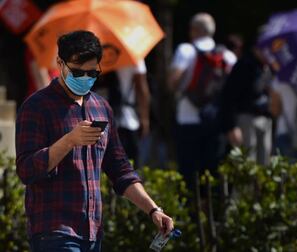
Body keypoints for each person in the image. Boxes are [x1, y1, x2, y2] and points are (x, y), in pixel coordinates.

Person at [15, 30, 173, 252]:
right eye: (78, 73)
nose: (85, 79)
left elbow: (120, 169)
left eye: (92, 73)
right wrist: (68, 141)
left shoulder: (101, 107)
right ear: (60, 63)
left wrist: (153, 209)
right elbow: (26, 170)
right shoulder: (36, 107)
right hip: (53, 231)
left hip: (92, 233)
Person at [168, 13, 236, 188]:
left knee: (189, 175)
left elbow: (173, 81)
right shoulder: (228, 56)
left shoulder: (186, 50)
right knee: (213, 174)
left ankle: (190, 214)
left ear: (194, 30)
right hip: (215, 122)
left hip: (188, 120)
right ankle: (213, 212)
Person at [220, 44, 279, 165]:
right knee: (247, 162)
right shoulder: (244, 65)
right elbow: (228, 96)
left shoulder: (268, 67)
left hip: (265, 119)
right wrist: (232, 126)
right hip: (246, 119)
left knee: (265, 162)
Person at [94, 60, 151, 170]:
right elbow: (141, 87)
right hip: (128, 121)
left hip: (99, 120)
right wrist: (145, 119)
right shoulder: (133, 55)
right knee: (129, 170)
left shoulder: (95, 54)